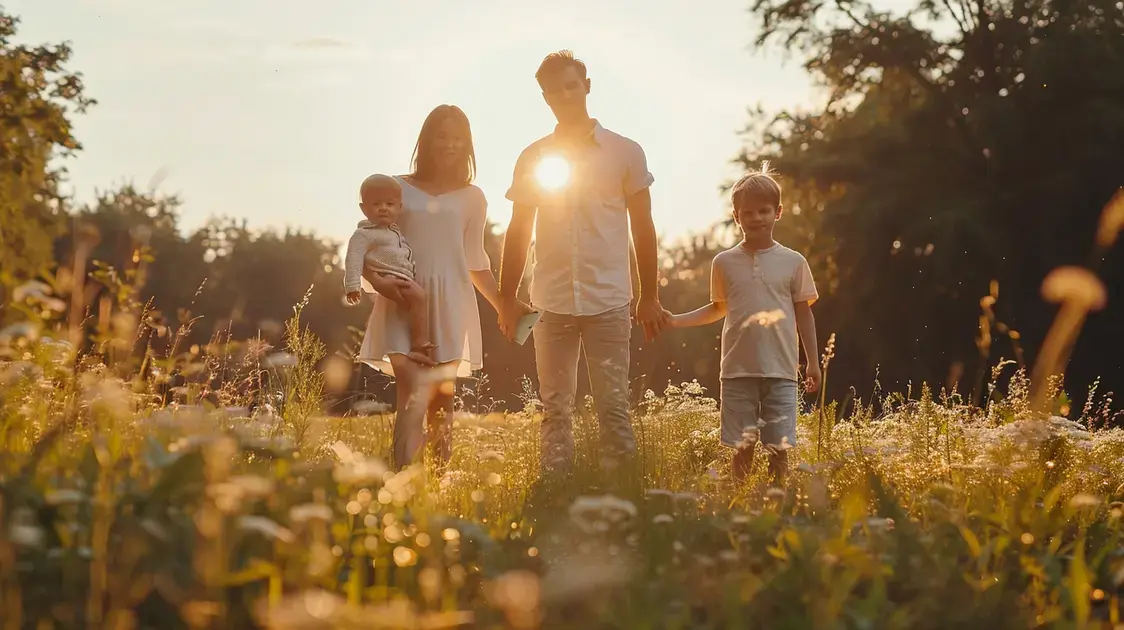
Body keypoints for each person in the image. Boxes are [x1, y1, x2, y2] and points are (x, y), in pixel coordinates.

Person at [498, 50, 669, 477]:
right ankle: (555, 493)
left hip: (609, 300)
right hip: (551, 302)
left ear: (587, 86)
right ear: (545, 97)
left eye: (571, 85)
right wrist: (506, 298)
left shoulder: (625, 152)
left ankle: (623, 495)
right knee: (555, 410)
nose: (563, 95)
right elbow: (518, 231)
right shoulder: (533, 157)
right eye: (553, 90)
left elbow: (643, 228)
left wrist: (650, 296)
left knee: (613, 408)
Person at [357, 105, 501, 470]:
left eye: (457, 138)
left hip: (452, 300)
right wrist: (378, 282)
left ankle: (441, 479)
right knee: (410, 392)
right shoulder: (397, 187)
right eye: (441, 136)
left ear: (467, 144)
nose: (449, 144)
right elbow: (371, 243)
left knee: (441, 396)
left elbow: (475, 259)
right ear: (426, 140)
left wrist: (505, 304)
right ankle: (402, 481)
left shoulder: (473, 197)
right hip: (402, 298)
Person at [667, 165, 821, 487]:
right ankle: (740, 504)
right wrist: (675, 321)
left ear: (778, 213)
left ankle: (777, 503)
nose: (756, 218)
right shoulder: (723, 263)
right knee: (742, 447)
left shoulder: (794, 262)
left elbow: (804, 314)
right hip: (737, 370)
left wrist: (813, 363)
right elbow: (717, 309)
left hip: (781, 370)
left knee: (778, 448)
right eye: (747, 212)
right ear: (736, 216)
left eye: (764, 210)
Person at [343, 174, 436, 367]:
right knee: (419, 297)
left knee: (414, 303)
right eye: (376, 204)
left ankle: (417, 346)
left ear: (399, 208)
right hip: (391, 277)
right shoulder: (364, 234)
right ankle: (419, 342)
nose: (384, 208)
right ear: (363, 208)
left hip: (402, 277)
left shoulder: (394, 232)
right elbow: (353, 258)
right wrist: (352, 286)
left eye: (390, 204)